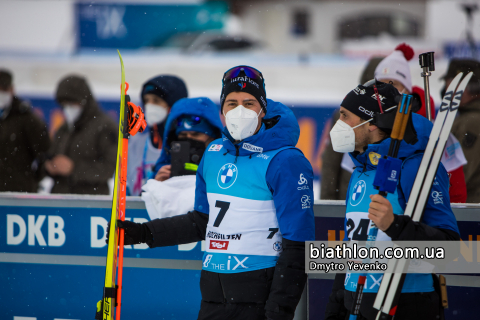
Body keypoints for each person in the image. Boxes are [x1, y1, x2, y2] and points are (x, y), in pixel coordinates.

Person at [110, 66, 315, 320]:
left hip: (259, 302)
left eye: (249, 103)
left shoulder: (285, 160)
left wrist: (279, 309)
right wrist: (143, 232)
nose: (240, 111)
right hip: (213, 298)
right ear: (221, 111)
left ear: (263, 109)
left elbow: (298, 245)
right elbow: (201, 222)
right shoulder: (214, 152)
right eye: (232, 103)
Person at [325, 82, 460, 320]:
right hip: (357, 304)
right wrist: (336, 307)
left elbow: (449, 249)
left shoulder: (416, 167)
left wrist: (395, 225)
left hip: (406, 302)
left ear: (372, 123)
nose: (338, 124)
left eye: (345, 116)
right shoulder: (361, 167)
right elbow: (353, 247)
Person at [375, 43, 467, 203]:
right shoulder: (371, 128)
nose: (385, 92)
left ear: (408, 90)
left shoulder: (432, 128)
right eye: (379, 86)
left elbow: (456, 190)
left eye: (392, 84)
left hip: (426, 214)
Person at [321, 57, 383, 200]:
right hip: (347, 203)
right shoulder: (345, 117)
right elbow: (331, 163)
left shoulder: (400, 122)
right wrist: (328, 209)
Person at [46, 75, 117, 194]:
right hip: (60, 201)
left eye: (73, 102)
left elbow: (109, 168)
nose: (68, 108)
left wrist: (74, 169)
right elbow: (49, 156)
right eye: (64, 104)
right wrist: (49, 166)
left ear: (85, 101)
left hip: (89, 203)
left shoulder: (105, 126)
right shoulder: (64, 128)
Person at [126, 75, 188, 195]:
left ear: (173, 106)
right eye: (146, 101)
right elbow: (122, 191)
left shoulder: (188, 147)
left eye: (156, 101)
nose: (149, 106)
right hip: (135, 213)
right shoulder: (134, 145)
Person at [0, 69, 50, 192]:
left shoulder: (28, 119)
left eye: (4, 89)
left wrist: (31, 180)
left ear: (12, 89)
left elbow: (45, 154)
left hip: (18, 192)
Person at [150, 97, 223, 182]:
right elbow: (141, 194)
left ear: (213, 138)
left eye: (196, 134)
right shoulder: (164, 168)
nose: (189, 139)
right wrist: (156, 184)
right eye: (183, 135)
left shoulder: (225, 168)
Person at [443, 58, 480, 203]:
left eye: (450, 83)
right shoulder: (467, 118)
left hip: (469, 209)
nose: (445, 89)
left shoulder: (472, 123)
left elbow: (460, 174)